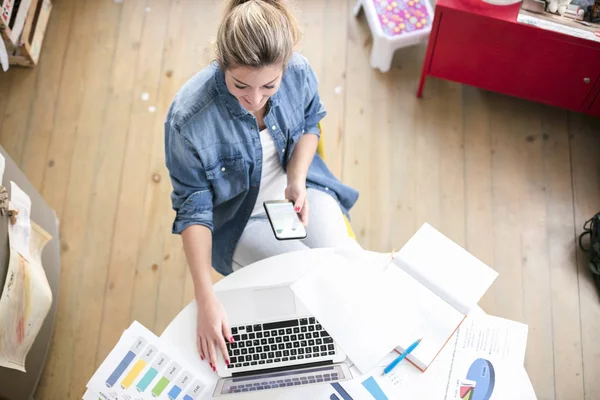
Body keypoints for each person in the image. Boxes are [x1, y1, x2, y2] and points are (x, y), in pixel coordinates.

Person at [164, 0, 359, 373]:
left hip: (299, 185)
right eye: (241, 85)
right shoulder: (188, 118)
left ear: (285, 67)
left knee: (346, 264)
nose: (254, 99)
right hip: (238, 217)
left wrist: (297, 179)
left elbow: (309, 126)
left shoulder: (299, 71)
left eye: (270, 86)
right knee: (300, 293)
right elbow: (194, 208)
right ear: (221, 59)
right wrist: (205, 298)